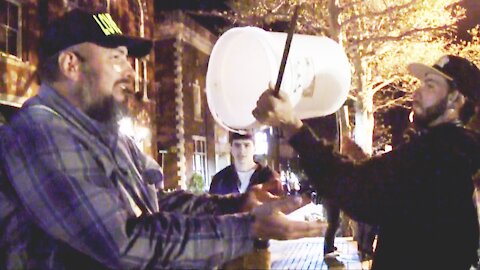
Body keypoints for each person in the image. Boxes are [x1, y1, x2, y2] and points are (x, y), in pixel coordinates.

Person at [0, 9, 325, 269]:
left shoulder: (103, 134)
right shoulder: (38, 134)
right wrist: (248, 229)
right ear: (71, 64)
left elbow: (155, 203)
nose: (130, 72)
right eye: (116, 58)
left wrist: (239, 204)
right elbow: (124, 243)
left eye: (128, 59)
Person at [253, 55, 480, 269]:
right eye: (421, 83)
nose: (417, 92)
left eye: (430, 85)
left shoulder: (437, 154)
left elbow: (357, 188)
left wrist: (294, 127)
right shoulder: (455, 152)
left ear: (455, 100)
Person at [209, 131, 283, 269]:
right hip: (228, 250)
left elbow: (277, 213)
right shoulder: (220, 179)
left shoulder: (269, 178)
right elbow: (211, 213)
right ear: (231, 148)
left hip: (257, 249)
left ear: (254, 147)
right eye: (237, 145)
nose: (241, 150)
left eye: (246, 145)